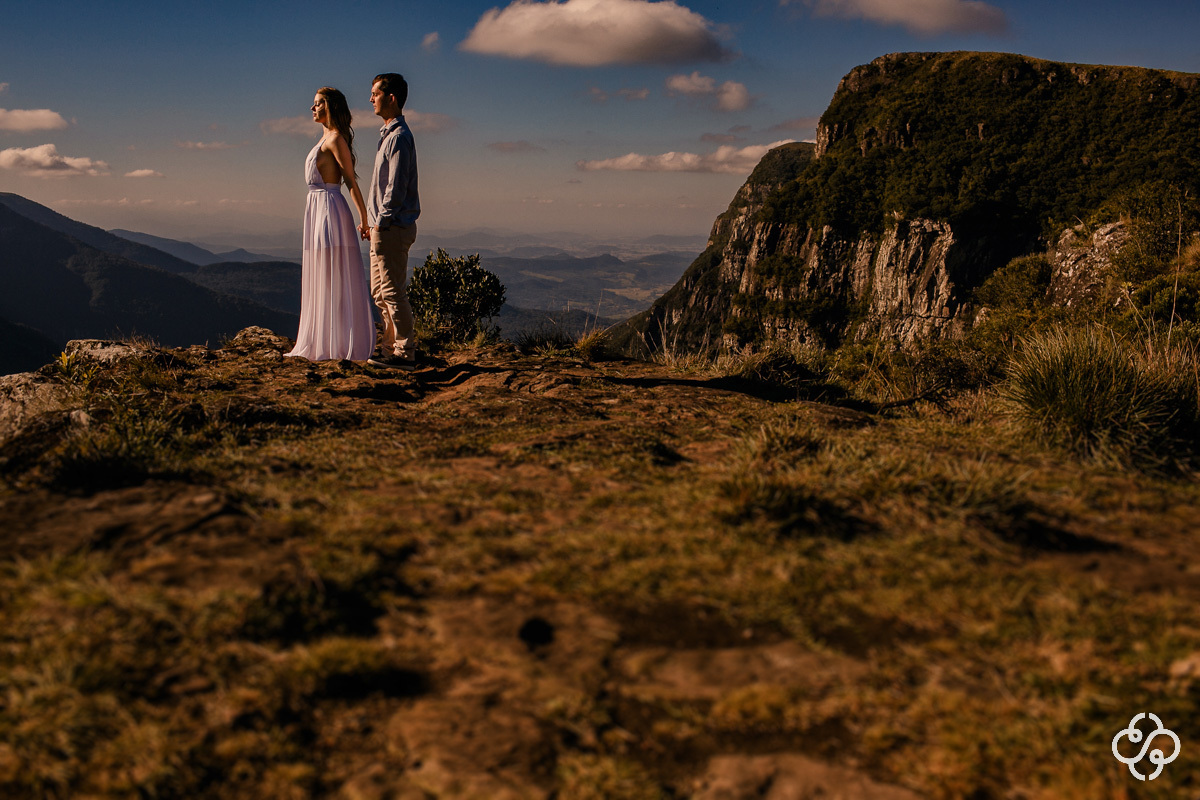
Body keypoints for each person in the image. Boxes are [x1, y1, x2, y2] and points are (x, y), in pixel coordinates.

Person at [287, 87, 375, 362]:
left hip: (329, 211)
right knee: (321, 273)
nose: (312, 109)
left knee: (331, 273)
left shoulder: (336, 139)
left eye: (317, 104)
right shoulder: (325, 138)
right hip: (317, 210)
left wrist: (363, 218)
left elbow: (350, 180)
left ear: (330, 106)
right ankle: (322, 340)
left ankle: (337, 343)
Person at [362, 72, 420, 370]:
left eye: (375, 93)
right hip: (383, 226)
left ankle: (404, 353)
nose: (371, 99)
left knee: (392, 291)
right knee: (380, 292)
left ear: (391, 97)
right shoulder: (388, 134)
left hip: (392, 227)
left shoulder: (398, 137)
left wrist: (381, 222)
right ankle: (388, 349)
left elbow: (394, 188)